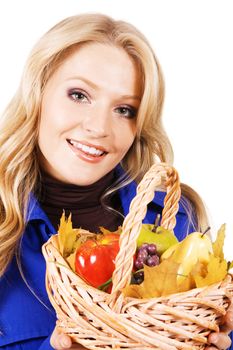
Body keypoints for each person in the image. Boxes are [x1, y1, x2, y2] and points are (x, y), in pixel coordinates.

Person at [0, 13, 232, 350]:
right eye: (79, 95)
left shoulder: (173, 218)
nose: (98, 127)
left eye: (124, 109)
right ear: (38, 93)